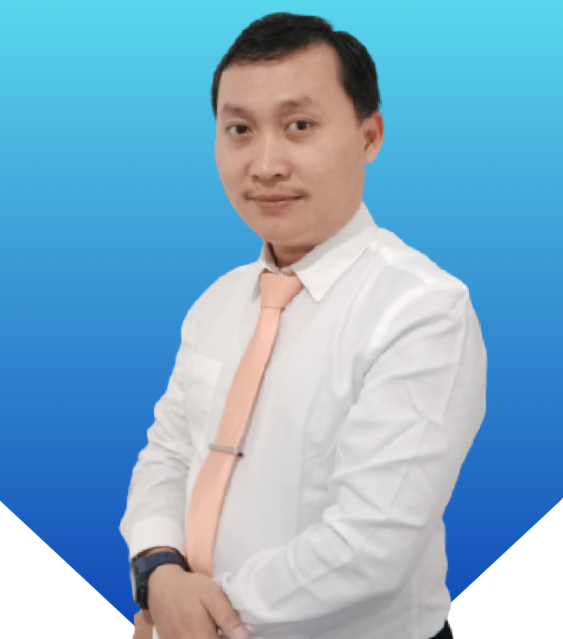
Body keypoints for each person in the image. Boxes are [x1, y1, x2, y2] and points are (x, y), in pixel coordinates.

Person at [119, 12, 487, 639]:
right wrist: (159, 570)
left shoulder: (422, 310)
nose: (265, 165)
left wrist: (200, 614)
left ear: (369, 136)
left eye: (299, 126)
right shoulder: (217, 302)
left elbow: (371, 545)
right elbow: (169, 454)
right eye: (240, 129)